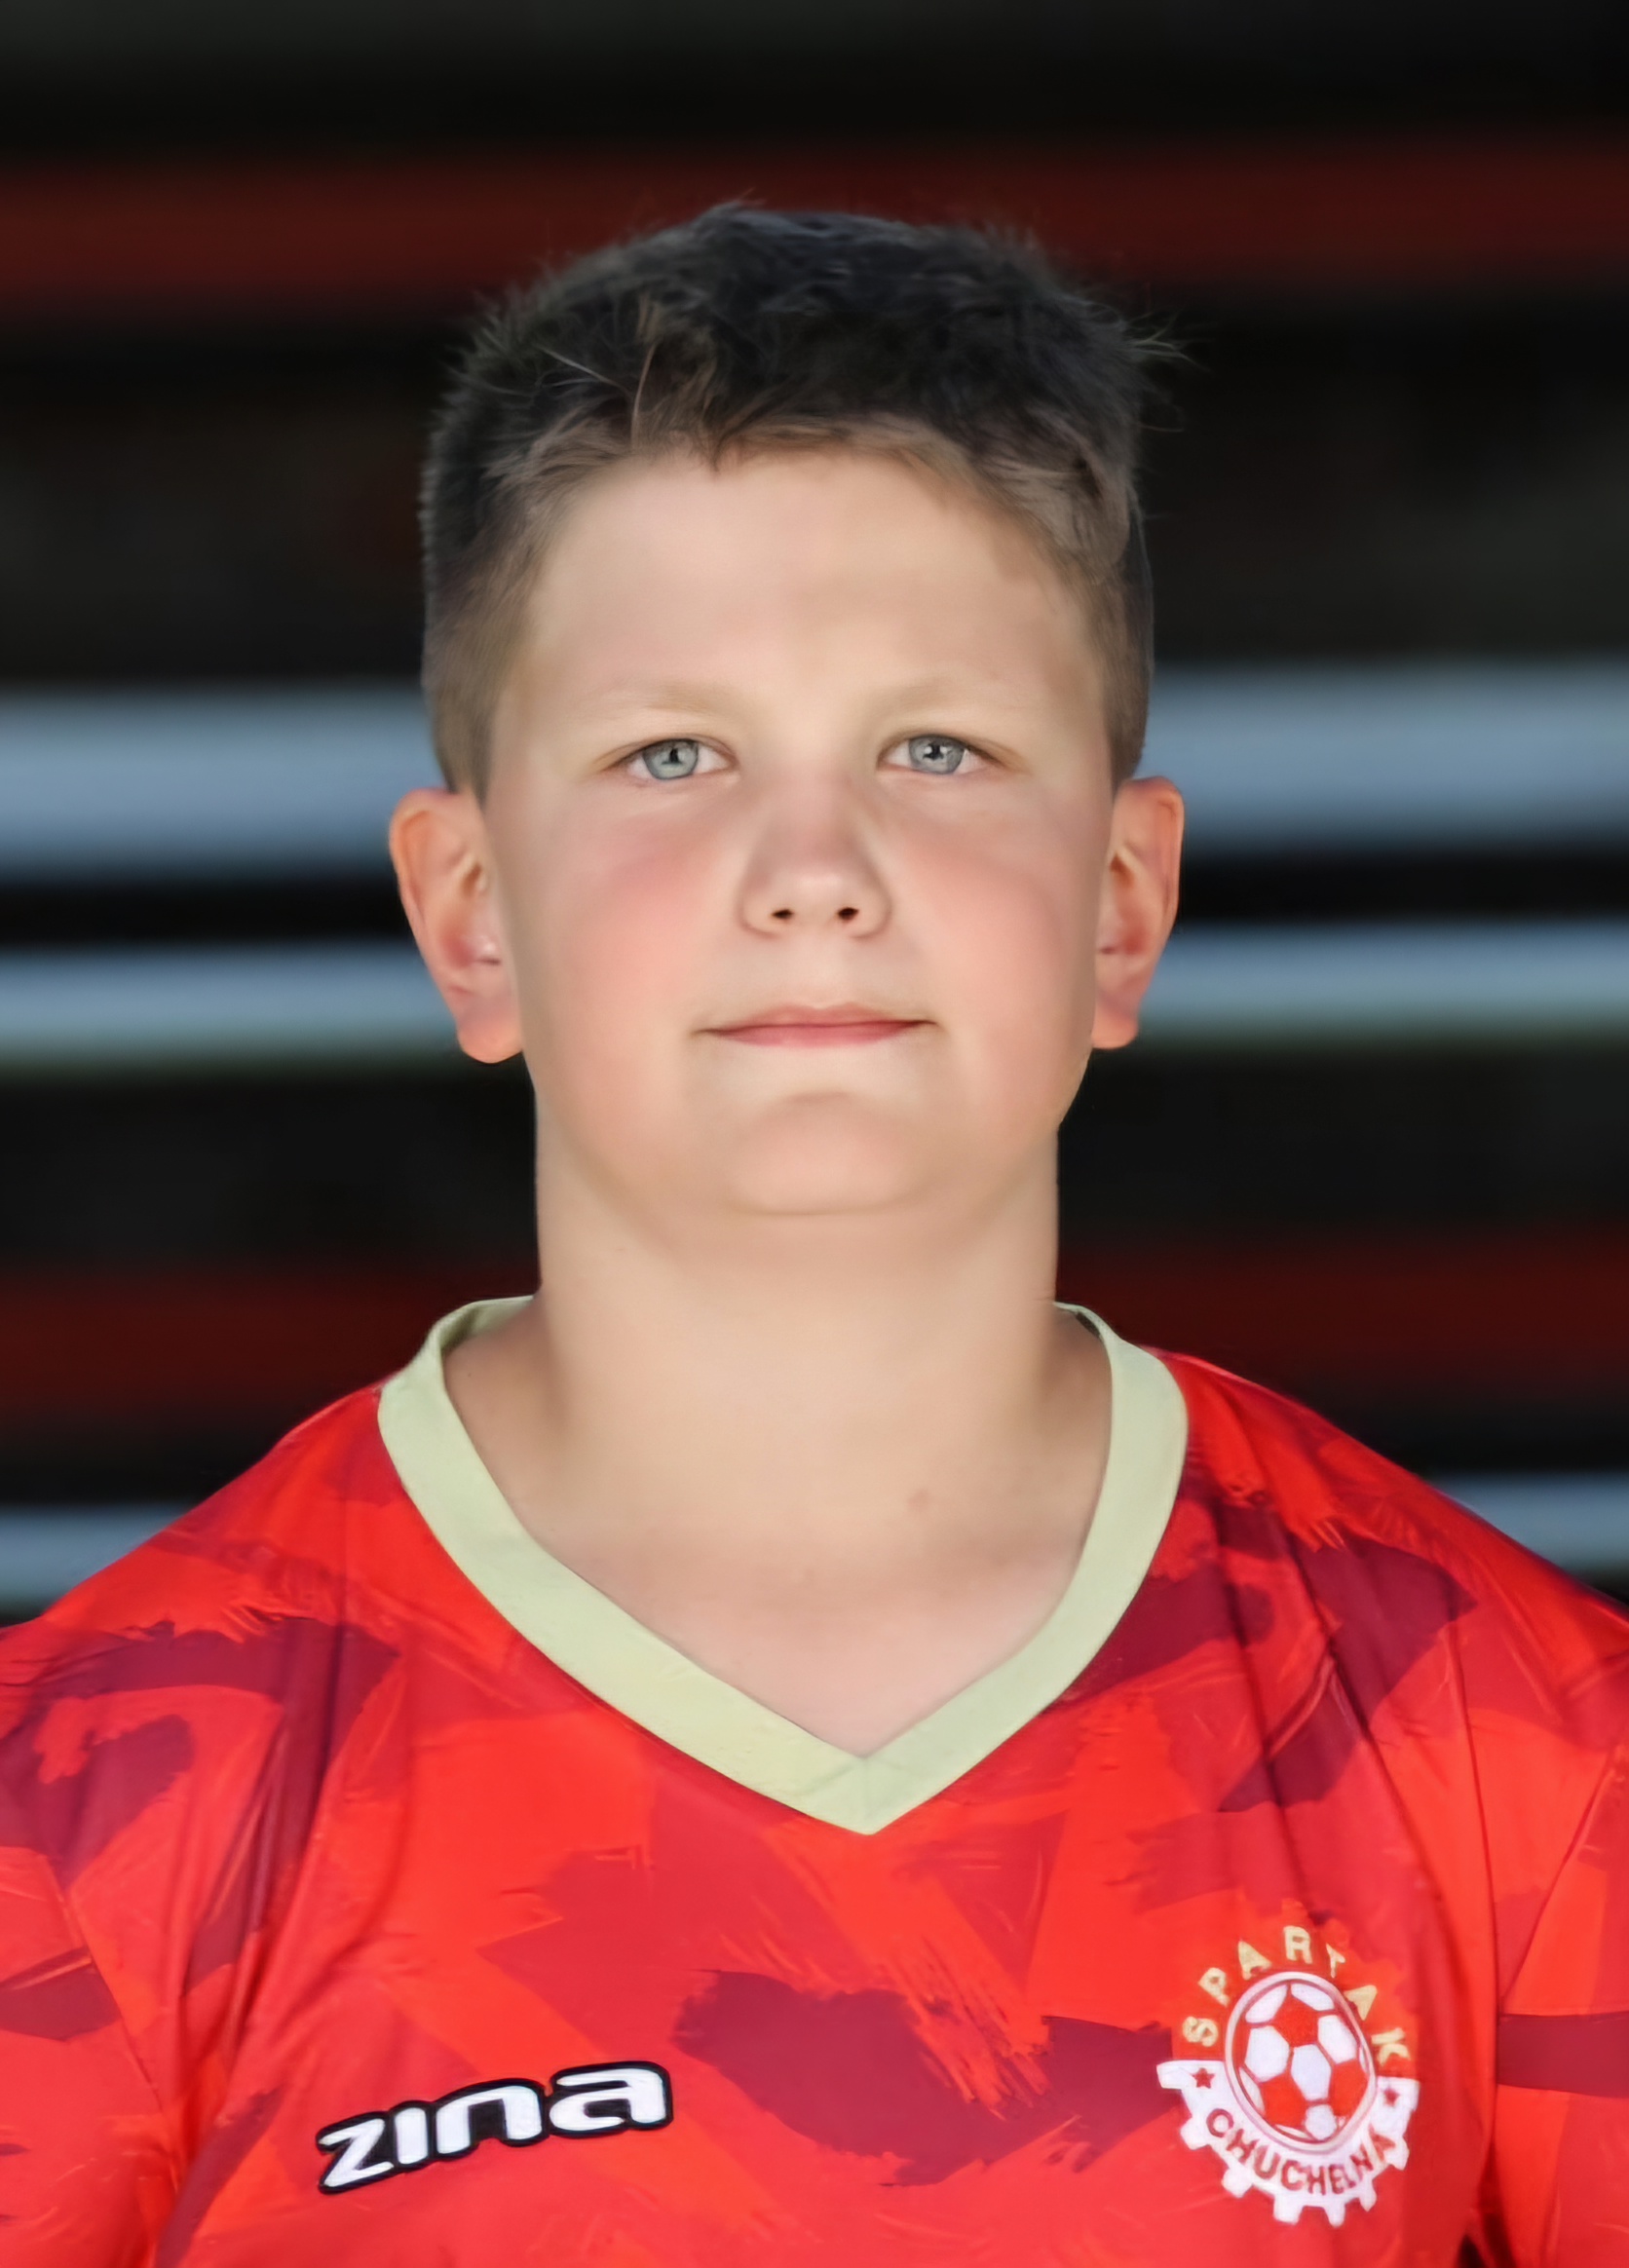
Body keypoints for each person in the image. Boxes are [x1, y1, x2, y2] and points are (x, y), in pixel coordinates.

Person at [1, 207, 1624, 2267]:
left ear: (1120, 905)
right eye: (670, 754)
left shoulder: (1516, 1742)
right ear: (469, 917)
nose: (813, 870)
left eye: (935, 748)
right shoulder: (89, 1796)